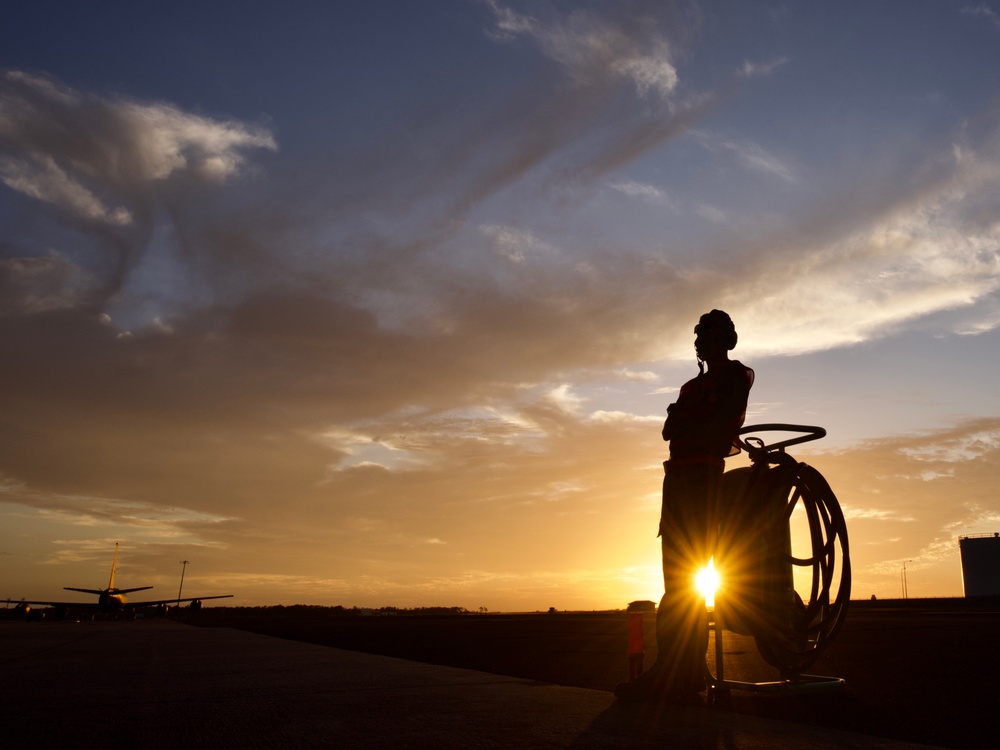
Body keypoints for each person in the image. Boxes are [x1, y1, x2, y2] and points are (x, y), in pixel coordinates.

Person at [616, 309, 754, 702]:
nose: (702, 342)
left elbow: (721, 422)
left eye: (710, 335)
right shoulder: (691, 388)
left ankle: (680, 670)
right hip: (676, 481)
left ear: (726, 340)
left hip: (704, 479)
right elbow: (669, 431)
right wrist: (695, 416)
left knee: (687, 578)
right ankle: (678, 668)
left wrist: (693, 420)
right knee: (675, 581)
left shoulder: (736, 374)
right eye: (700, 336)